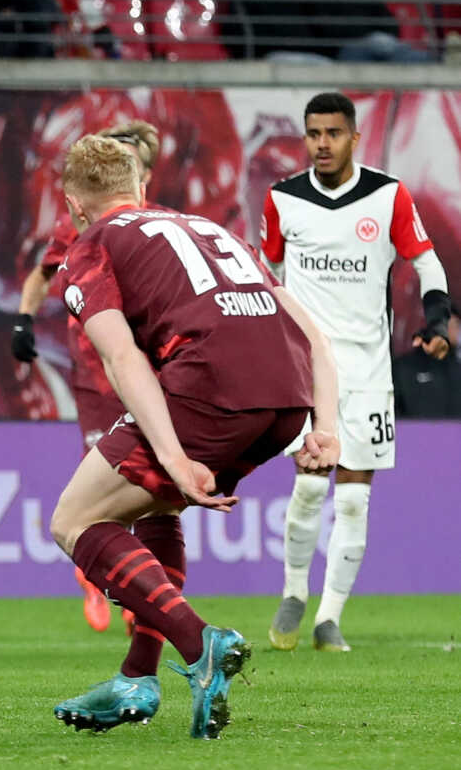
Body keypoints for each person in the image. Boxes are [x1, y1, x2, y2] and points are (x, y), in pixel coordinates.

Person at [48, 135, 340, 738]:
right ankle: (136, 675)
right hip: (288, 395)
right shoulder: (212, 228)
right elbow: (314, 336)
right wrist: (326, 429)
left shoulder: (91, 245)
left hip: (212, 387)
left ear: (75, 204)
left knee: (74, 521)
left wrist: (176, 456)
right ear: (142, 189)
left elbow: (123, 359)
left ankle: (199, 645)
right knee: (153, 504)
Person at [261, 91, 452, 652]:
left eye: (333, 133)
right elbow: (266, 270)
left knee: (352, 497)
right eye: (314, 133)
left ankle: (329, 619)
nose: (322, 143)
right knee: (308, 486)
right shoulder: (283, 199)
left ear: (353, 136)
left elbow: (427, 259)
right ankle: (294, 591)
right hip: (305, 370)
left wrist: (437, 319)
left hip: (368, 368)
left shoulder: (387, 196)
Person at [12, 120, 167, 636]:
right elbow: (41, 273)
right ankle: (101, 577)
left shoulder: (160, 223)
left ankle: (137, 590)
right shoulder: (76, 222)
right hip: (97, 375)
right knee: (108, 486)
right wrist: (23, 320)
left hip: (149, 373)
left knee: (152, 489)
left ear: (143, 173)